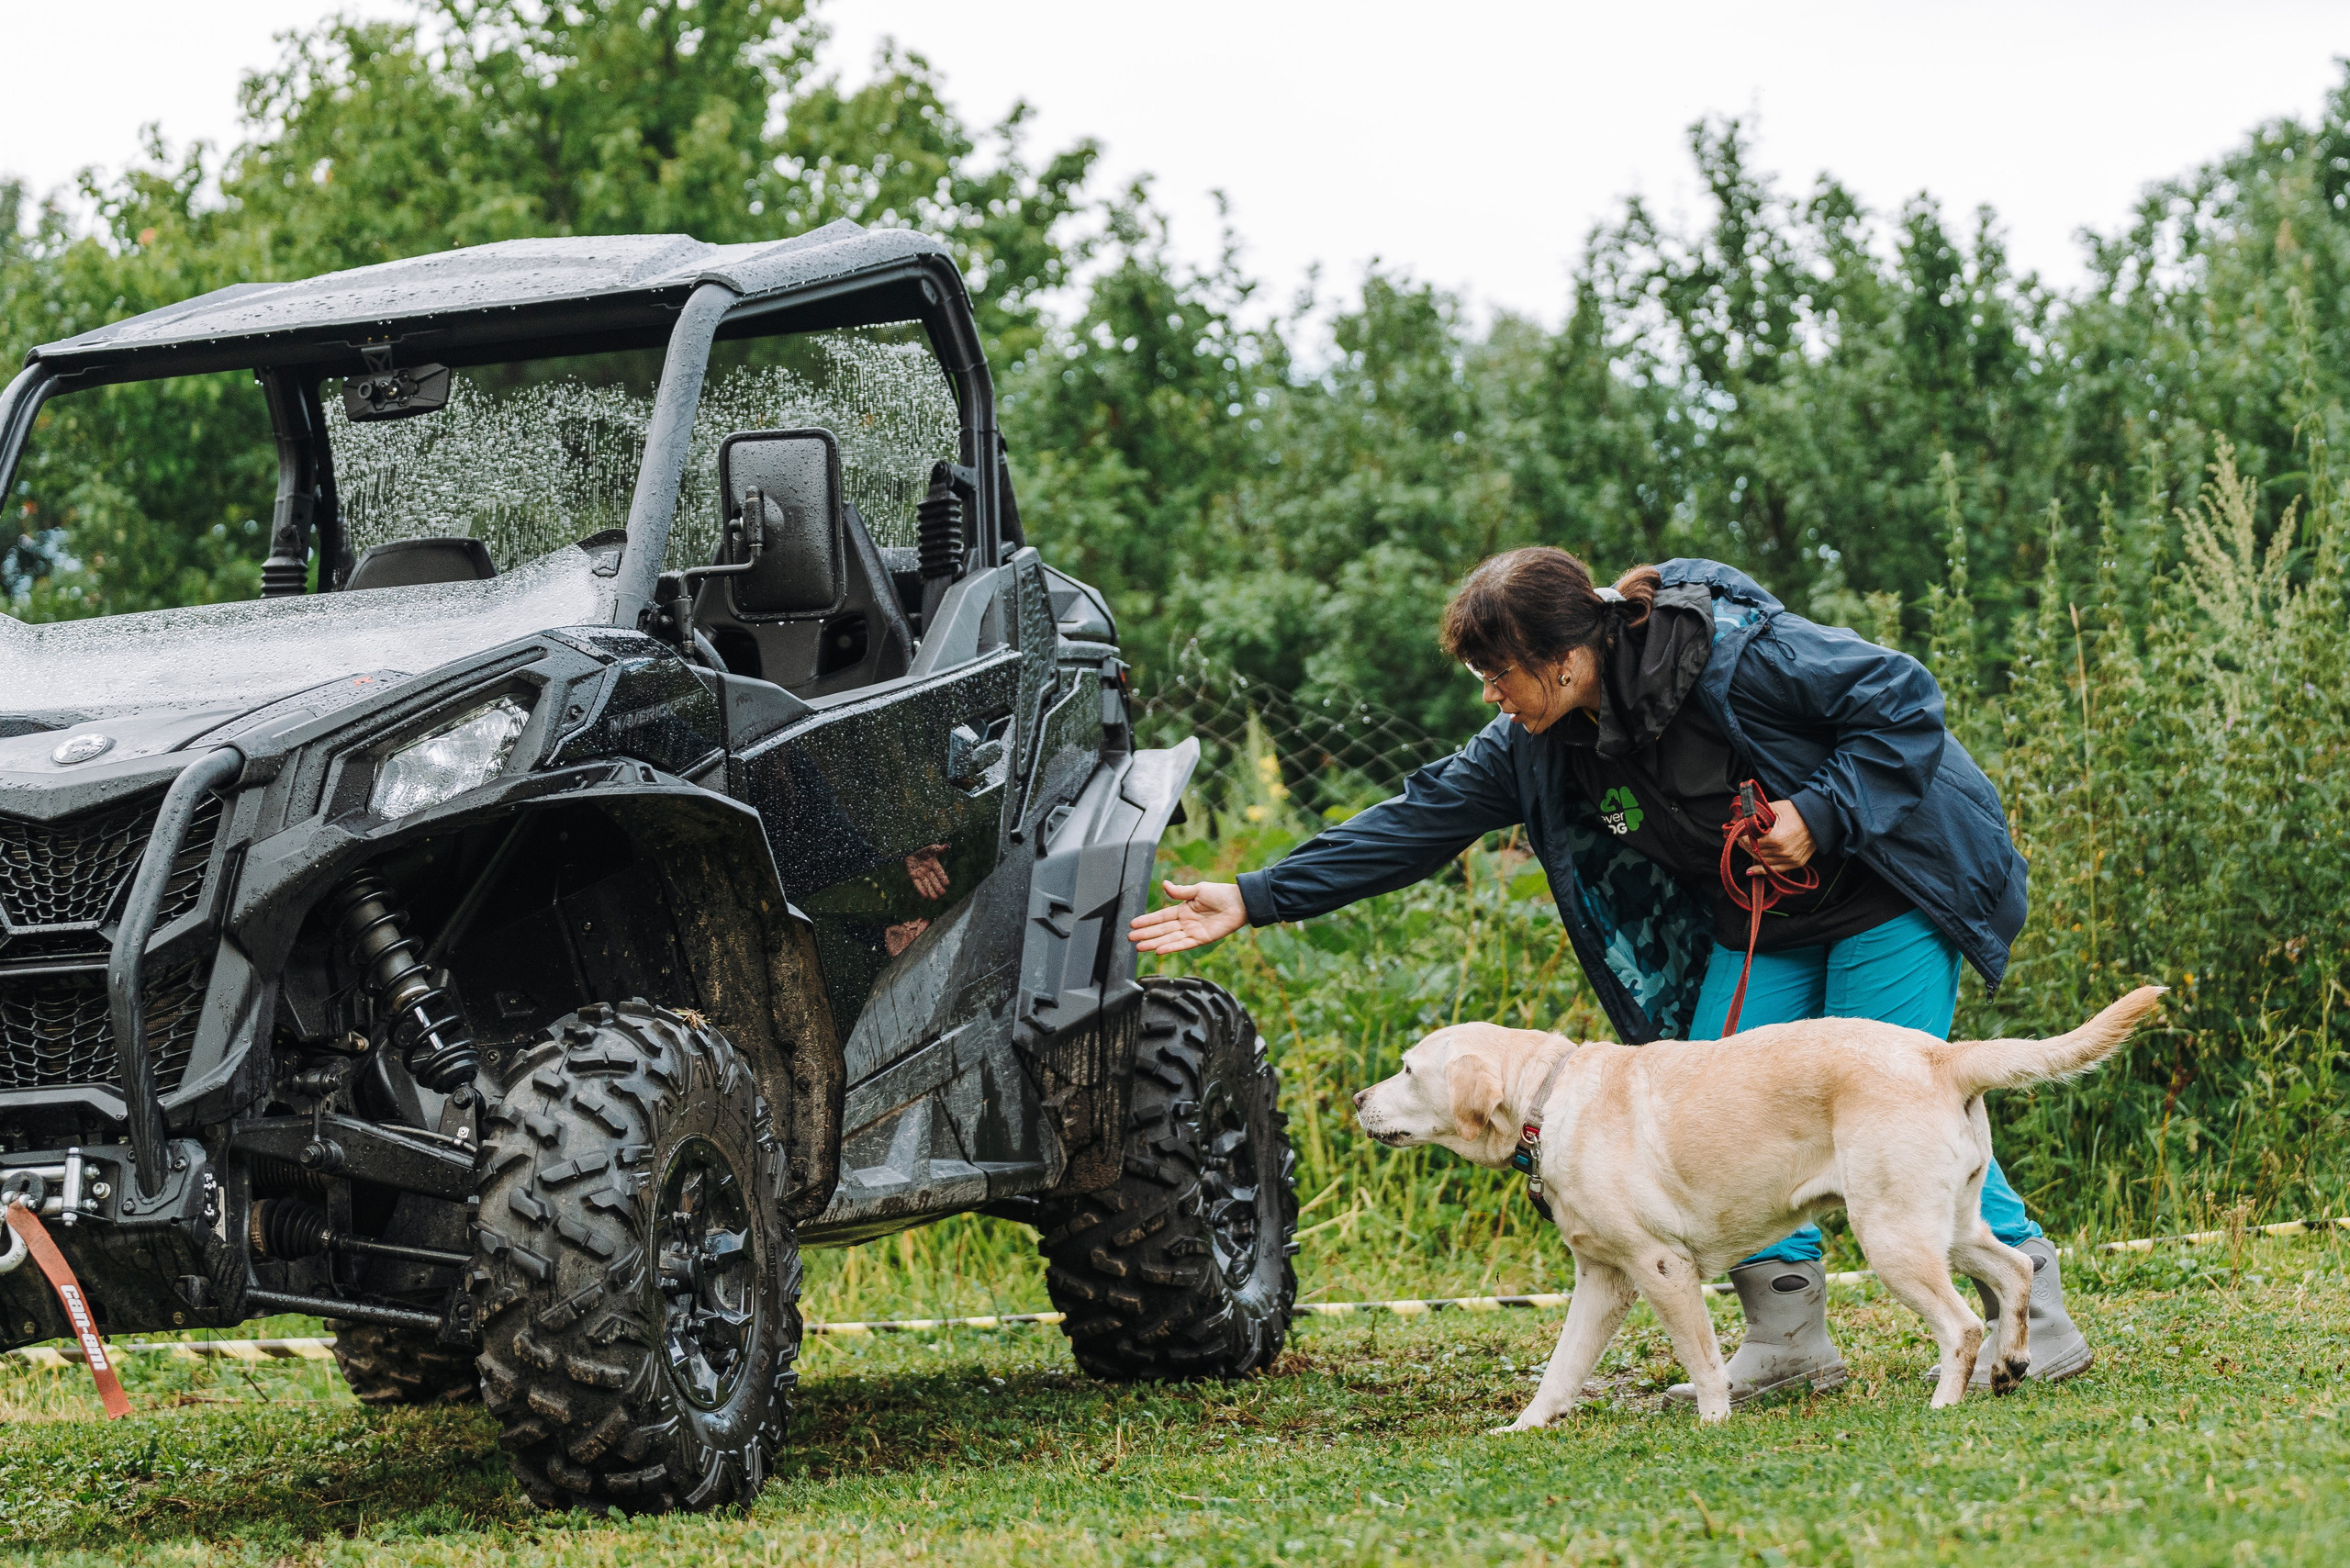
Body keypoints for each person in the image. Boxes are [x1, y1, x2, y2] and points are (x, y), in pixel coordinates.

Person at [1129, 549, 2092, 1402]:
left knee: (1900, 1104)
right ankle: (1787, 1340)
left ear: (1563, 657)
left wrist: (1823, 811)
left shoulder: (1738, 656)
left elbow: (1903, 701)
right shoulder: (1536, 742)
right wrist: (1256, 894)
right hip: (1758, 917)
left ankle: (2034, 1320)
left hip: (1888, 883)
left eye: (1497, 673)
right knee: (1725, 1118)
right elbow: (1417, 820)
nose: (1489, 695)